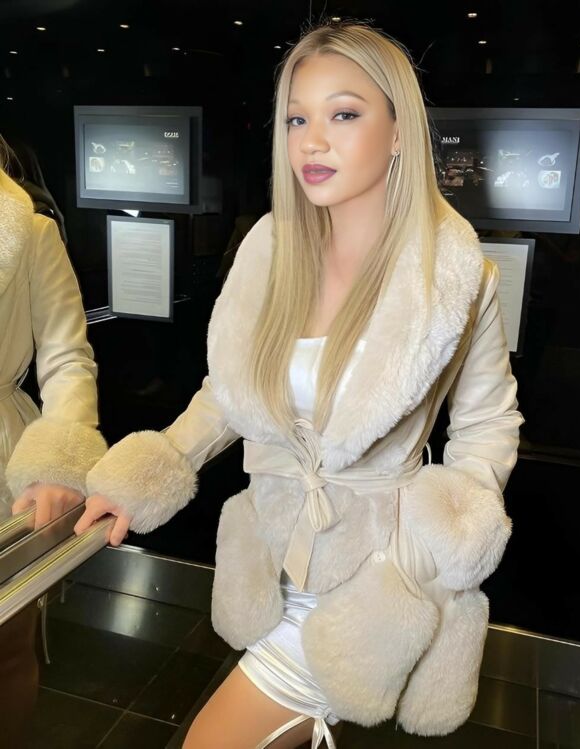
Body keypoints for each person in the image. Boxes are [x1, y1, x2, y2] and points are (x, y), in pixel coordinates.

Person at [74, 19, 524, 749]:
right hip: (275, 556)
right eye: (296, 119)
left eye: (343, 114)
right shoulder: (271, 249)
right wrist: (151, 471)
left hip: (373, 577)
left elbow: (488, 423)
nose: (312, 142)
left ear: (399, 131)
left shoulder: (453, 276)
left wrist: (430, 549)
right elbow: (229, 394)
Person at [0, 137, 107, 746]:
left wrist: (60, 462)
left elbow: (68, 358)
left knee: (7, 644)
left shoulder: (30, 230)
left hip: (3, 455)